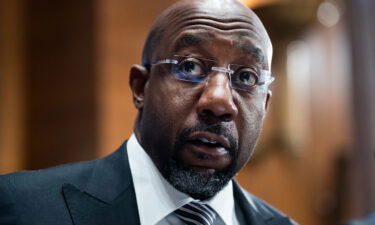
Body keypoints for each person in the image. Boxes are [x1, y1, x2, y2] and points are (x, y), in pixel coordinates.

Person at [0, 0, 298, 224]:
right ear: (140, 87)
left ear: (265, 107)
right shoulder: (21, 206)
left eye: (245, 77)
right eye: (190, 67)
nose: (220, 101)